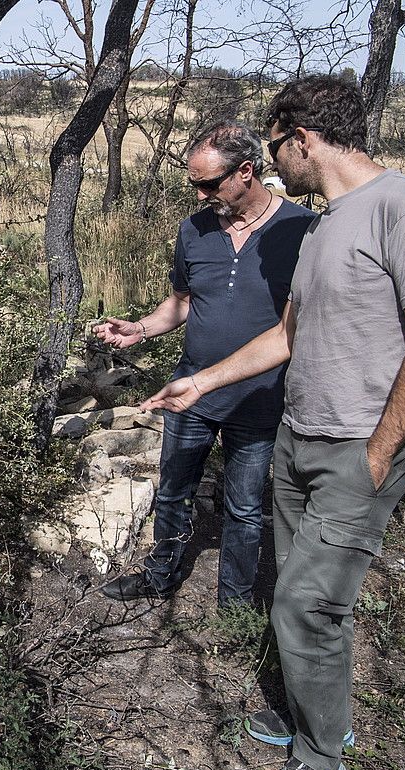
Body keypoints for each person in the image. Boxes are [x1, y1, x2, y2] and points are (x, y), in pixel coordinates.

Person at [143, 76, 405, 770]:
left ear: (302, 138)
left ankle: (321, 759)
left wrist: (381, 451)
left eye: (277, 145)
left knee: (301, 603)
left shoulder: (404, 206)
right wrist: (200, 383)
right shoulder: (328, 223)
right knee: (311, 596)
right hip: (301, 436)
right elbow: (287, 334)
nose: (276, 161)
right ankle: (324, 717)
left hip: (360, 444)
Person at [95, 120, 316, 608]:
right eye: (193, 183)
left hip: (260, 397)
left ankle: (234, 603)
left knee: (243, 505)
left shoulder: (301, 230)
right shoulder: (193, 230)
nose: (199, 196)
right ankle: (160, 575)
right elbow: (182, 303)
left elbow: (295, 327)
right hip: (189, 387)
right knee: (173, 490)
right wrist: (140, 328)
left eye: (208, 184)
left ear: (246, 172)